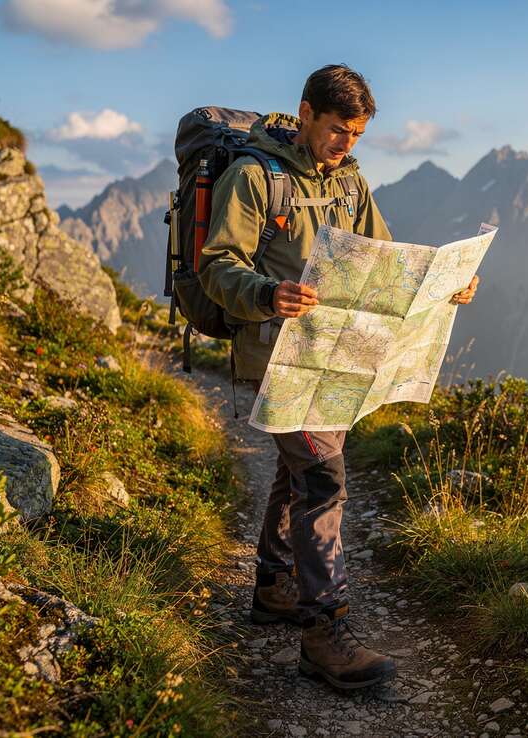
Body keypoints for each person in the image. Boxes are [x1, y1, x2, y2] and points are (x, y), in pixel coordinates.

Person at [198, 64, 479, 690]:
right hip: (274, 352)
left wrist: (444, 288)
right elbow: (218, 265)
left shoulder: (350, 183)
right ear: (305, 114)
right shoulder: (252, 178)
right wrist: (271, 293)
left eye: (356, 134)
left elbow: (386, 265)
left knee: (298, 467)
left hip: (333, 354)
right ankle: (323, 632)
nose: (346, 145)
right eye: (336, 131)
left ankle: (274, 585)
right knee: (323, 476)